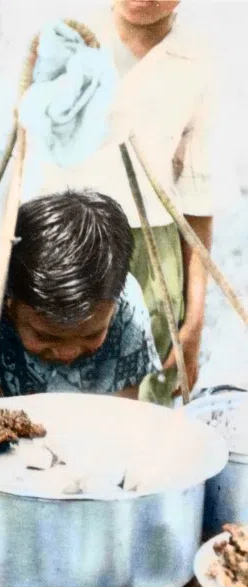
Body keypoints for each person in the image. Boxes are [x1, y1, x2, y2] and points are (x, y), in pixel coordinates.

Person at [34, 0, 217, 403]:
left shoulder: (197, 61)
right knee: (62, 395)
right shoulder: (67, 41)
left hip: (152, 259)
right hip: (67, 248)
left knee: (144, 400)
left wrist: (195, 321)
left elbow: (198, 202)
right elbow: (30, 159)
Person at [0, 191, 161, 398]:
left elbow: (125, 414)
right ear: (10, 301)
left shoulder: (127, 307)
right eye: (46, 336)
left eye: (91, 335)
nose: (67, 353)